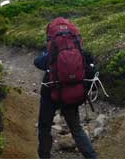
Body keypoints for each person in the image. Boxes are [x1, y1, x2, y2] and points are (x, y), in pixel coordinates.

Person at [34, 24, 98, 159]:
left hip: (49, 94)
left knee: (44, 127)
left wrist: (47, 55)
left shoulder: (51, 53)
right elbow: (90, 65)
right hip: (71, 94)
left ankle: (44, 156)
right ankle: (92, 157)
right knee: (76, 128)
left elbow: (37, 62)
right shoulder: (80, 52)